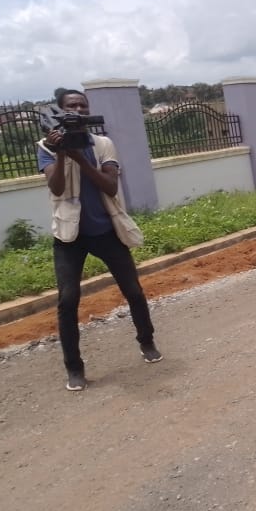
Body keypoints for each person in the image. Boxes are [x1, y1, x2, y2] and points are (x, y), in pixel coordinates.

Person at [37, 87, 161, 391]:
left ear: (88, 111)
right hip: (70, 235)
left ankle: (147, 342)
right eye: (71, 107)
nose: (77, 111)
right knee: (67, 300)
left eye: (82, 106)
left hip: (106, 230)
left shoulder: (103, 144)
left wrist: (80, 158)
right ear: (60, 111)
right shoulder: (46, 146)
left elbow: (109, 186)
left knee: (132, 290)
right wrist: (64, 153)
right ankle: (74, 368)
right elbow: (55, 188)